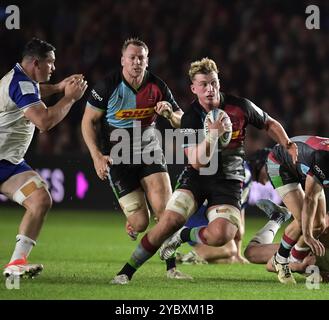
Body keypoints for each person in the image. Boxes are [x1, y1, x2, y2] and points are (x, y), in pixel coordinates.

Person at [111, 57, 297, 284]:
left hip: (228, 179)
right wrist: (213, 134)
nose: (210, 89)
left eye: (213, 83)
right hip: (197, 178)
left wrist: (287, 144)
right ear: (194, 88)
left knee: (222, 236)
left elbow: (269, 123)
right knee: (167, 222)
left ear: (219, 83)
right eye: (203, 84)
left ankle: (184, 235)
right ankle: (126, 272)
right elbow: (197, 162)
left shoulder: (240, 106)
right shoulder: (190, 117)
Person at [81, 38, 186, 279]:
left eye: (141, 58)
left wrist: (170, 114)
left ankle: (171, 268)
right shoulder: (107, 85)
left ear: (147, 61)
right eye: (132, 57)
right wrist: (97, 156)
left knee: (167, 213)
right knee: (141, 224)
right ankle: (133, 221)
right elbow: (88, 121)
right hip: (119, 158)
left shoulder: (157, 85)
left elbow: (180, 118)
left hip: (150, 152)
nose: (137, 62)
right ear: (123, 61)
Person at [0, 37, 87, 277]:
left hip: (9, 165)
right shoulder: (21, 83)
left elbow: (34, 93)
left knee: (40, 200)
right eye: (51, 63)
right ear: (36, 63)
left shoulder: (21, 80)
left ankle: (16, 265)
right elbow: (44, 122)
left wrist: (58, 87)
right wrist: (69, 98)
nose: (54, 68)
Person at [176, 148, 289, 265]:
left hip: (203, 213)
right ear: (260, 163)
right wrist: (236, 251)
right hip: (202, 214)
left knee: (228, 258)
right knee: (229, 250)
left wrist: (238, 255)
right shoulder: (244, 173)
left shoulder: (244, 172)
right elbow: (237, 217)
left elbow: (239, 216)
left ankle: (194, 255)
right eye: (270, 168)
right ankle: (190, 256)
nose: (273, 174)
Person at [263, 135, 329, 284]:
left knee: (319, 225)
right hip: (280, 163)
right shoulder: (323, 159)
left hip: (304, 166)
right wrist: (307, 235)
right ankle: (280, 260)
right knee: (302, 222)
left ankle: (294, 261)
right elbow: (310, 199)